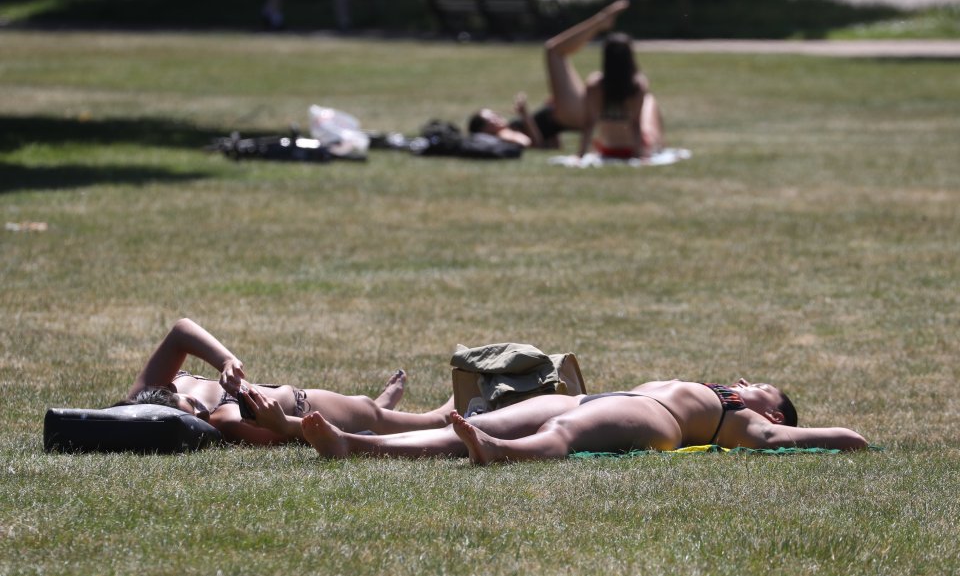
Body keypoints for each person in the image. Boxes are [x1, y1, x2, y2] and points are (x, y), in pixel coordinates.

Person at [300, 378, 867, 461]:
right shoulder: (736, 400)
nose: (748, 380)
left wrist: (844, 438)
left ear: (772, 408)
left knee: (561, 437)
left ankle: (504, 453)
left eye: (762, 385)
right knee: (474, 423)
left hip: (654, 416)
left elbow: (845, 439)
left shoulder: (748, 420)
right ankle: (357, 439)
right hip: (597, 398)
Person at [120, 318, 452, 445]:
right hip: (301, 405)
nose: (201, 416)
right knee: (433, 421)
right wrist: (277, 421)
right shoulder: (225, 422)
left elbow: (181, 330)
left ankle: (372, 410)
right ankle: (374, 411)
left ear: (165, 391)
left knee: (368, 412)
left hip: (288, 396)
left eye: (191, 406)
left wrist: (226, 361)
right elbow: (290, 431)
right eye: (197, 421)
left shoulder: (142, 400)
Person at [470, 0, 665, 154]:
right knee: (553, 51)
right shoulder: (504, 135)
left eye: (492, 114)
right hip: (570, 115)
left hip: (567, 114)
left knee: (555, 52)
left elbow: (550, 141)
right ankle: (599, 22)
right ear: (482, 132)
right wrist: (526, 116)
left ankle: (600, 22)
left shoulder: (508, 128)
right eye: (489, 120)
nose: (495, 118)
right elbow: (532, 143)